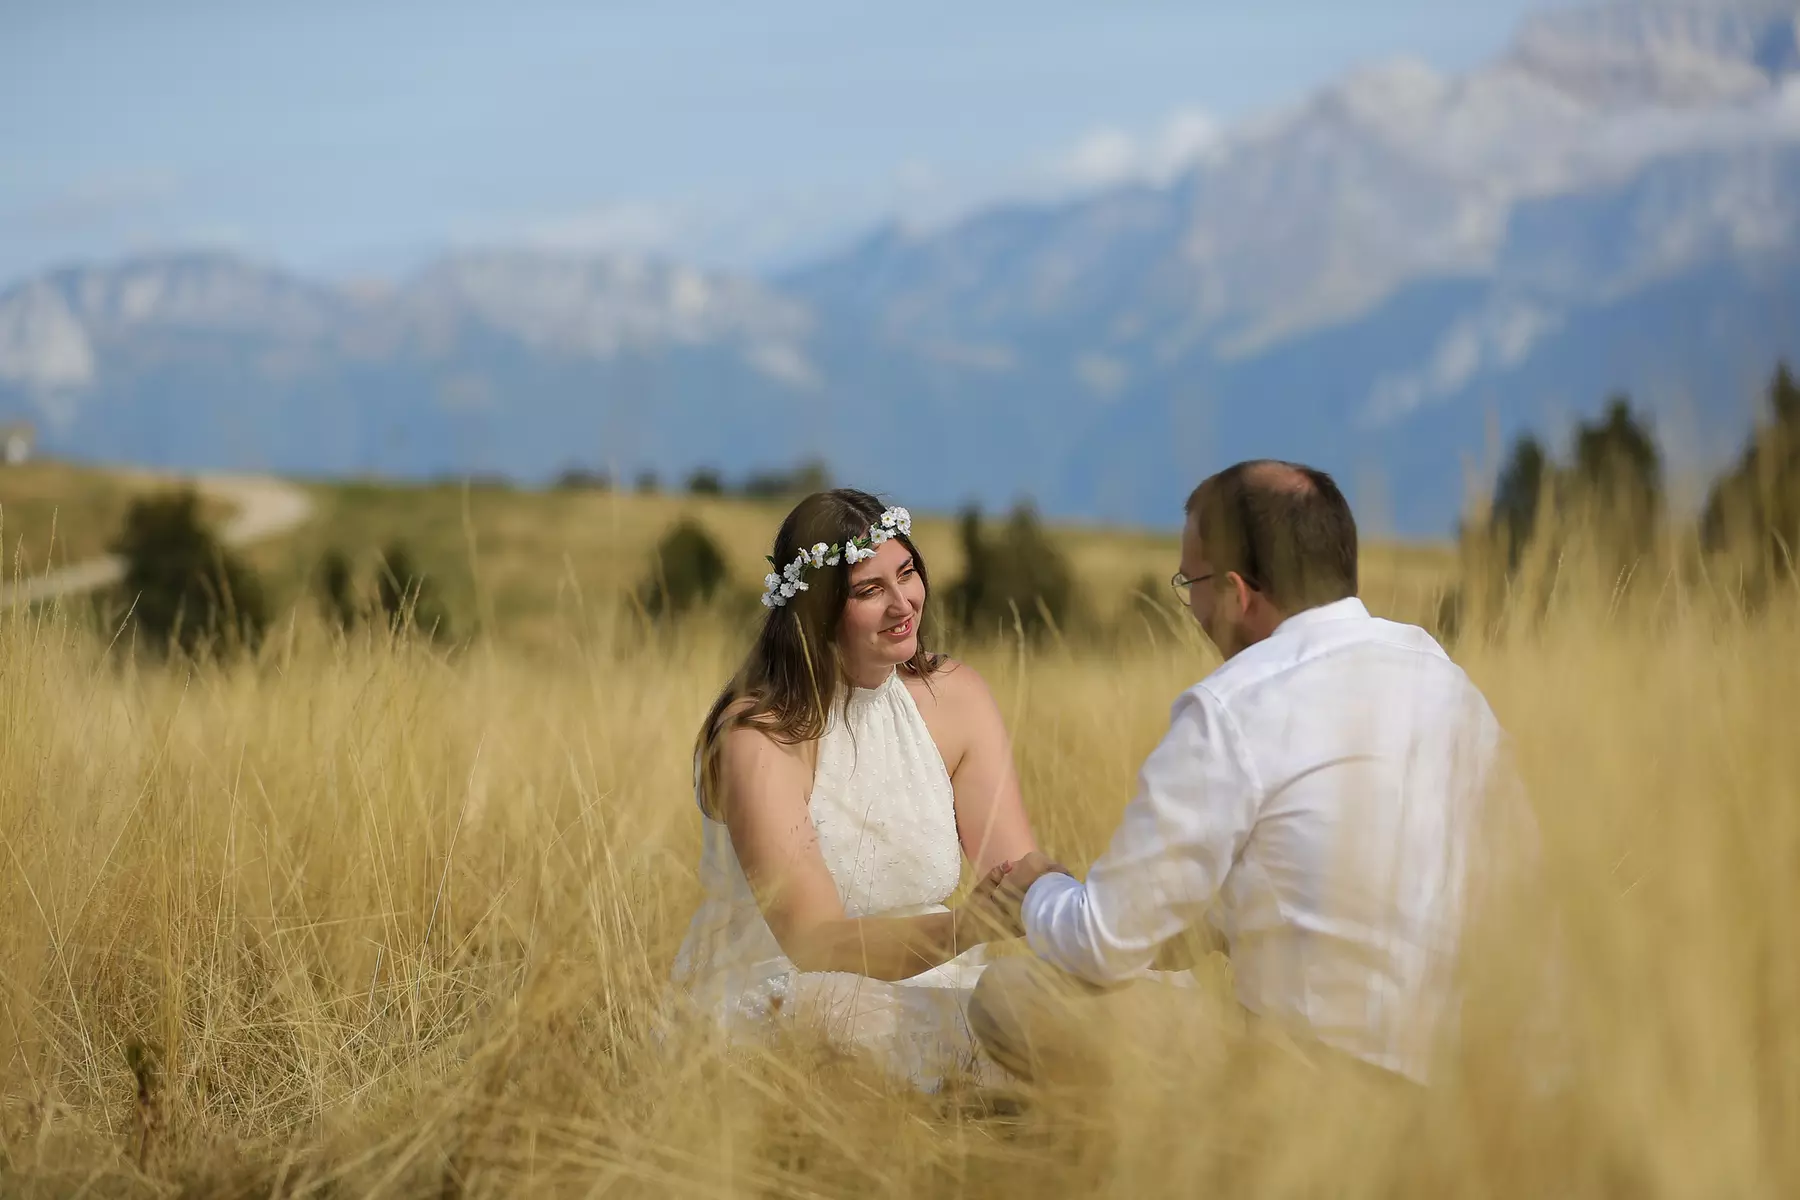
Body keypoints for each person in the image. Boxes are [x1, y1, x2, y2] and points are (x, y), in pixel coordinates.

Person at [969, 459, 1519, 1090]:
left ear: (1236, 593)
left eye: (1191, 582)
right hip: (1476, 1080)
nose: (1194, 606)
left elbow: (1101, 943)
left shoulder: (1232, 707)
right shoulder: (1441, 676)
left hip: (1315, 1089)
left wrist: (1039, 893)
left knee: (1011, 995)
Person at [667, 488, 1038, 1091]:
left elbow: (1017, 871)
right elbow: (814, 943)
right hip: (792, 989)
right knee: (840, 1021)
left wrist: (1099, 911)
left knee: (1071, 1007)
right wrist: (968, 928)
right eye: (869, 591)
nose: (902, 604)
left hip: (937, 979)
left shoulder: (956, 697)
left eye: (907, 573)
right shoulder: (759, 735)